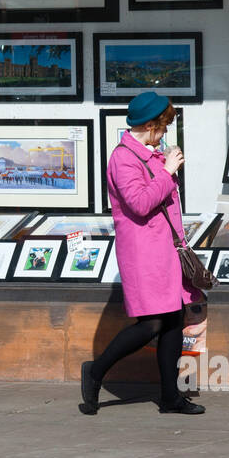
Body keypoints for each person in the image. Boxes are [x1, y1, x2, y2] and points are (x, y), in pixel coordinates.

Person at [81, 90, 205, 415]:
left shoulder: (151, 154)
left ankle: (170, 397)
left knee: (173, 321)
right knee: (151, 323)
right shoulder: (123, 158)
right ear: (150, 126)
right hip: (143, 252)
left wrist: (165, 166)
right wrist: (167, 172)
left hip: (165, 249)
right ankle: (95, 371)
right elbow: (139, 203)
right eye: (163, 127)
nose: (165, 134)